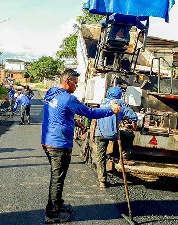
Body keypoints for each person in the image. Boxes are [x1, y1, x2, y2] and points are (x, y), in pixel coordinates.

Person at [41, 69, 120, 224]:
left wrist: (73, 121)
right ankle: (52, 213)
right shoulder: (69, 99)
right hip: (59, 144)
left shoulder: (51, 92)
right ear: (67, 81)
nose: (76, 86)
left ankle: (57, 203)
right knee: (57, 178)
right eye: (75, 83)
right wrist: (111, 110)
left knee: (59, 176)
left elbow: (58, 113)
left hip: (48, 140)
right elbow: (89, 112)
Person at [94, 86, 138, 189]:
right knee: (129, 135)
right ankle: (124, 157)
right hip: (114, 134)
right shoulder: (120, 103)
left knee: (101, 157)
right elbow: (132, 116)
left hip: (99, 134)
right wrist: (134, 122)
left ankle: (102, 181)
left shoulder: (102, 102)